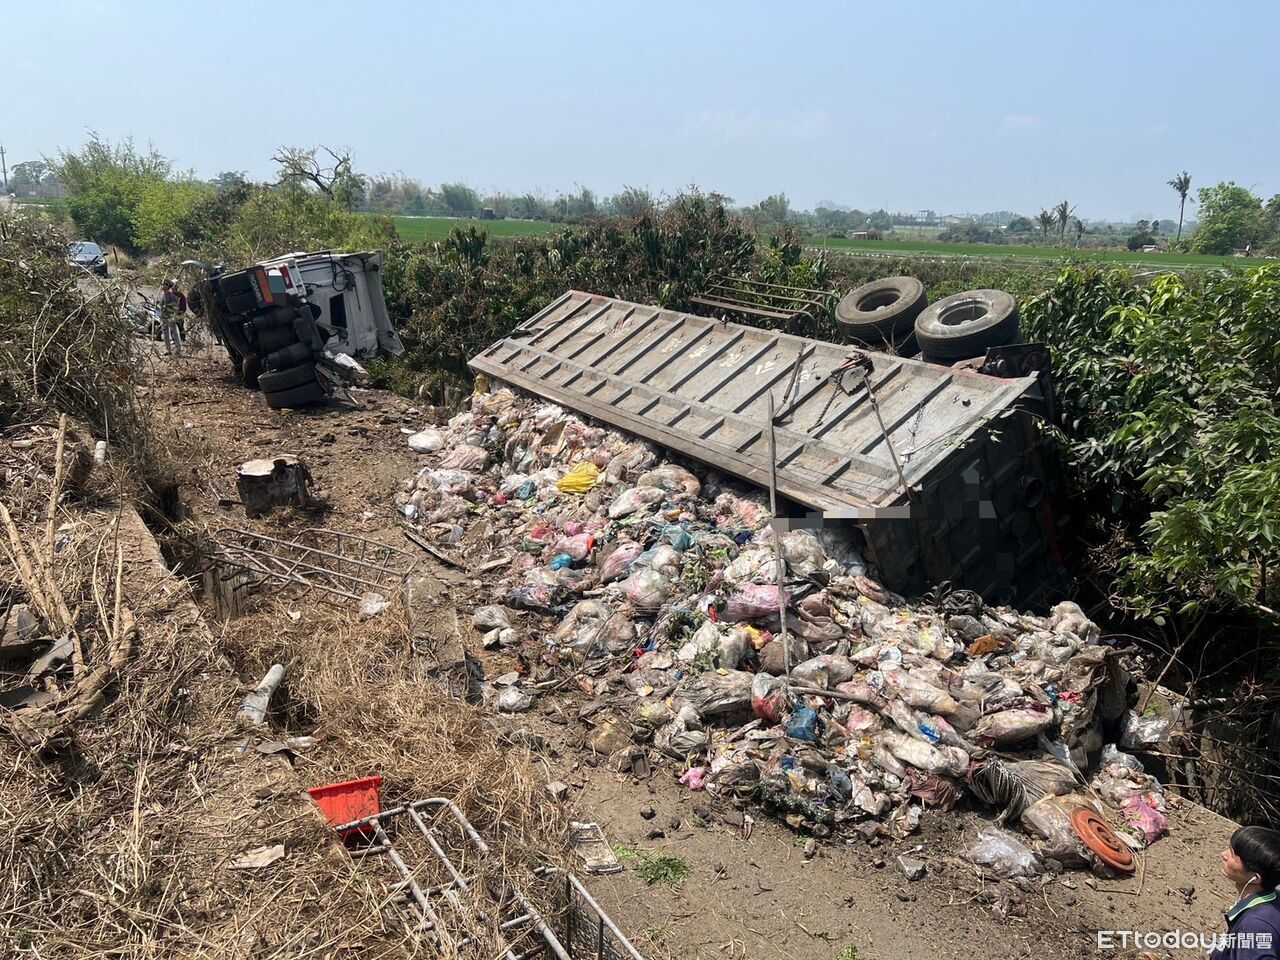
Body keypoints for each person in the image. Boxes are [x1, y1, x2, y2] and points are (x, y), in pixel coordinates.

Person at [1211, 825, 1280, 960]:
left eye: (1232, 854)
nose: (1224, 855)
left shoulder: (1254, 925)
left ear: (1255, 878)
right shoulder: (1274, 899)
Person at [159, 279, 183, 357]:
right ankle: (168, 350)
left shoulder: (172, 296)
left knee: (174, 333)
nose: (163, 286)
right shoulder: (161, 296)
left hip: (170, 317)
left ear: (168, 286)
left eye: (165, 284)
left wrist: (173, 315)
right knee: (165, 334)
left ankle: (178, 350)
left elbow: (176, 305)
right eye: (163, 284)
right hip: (163, 317)